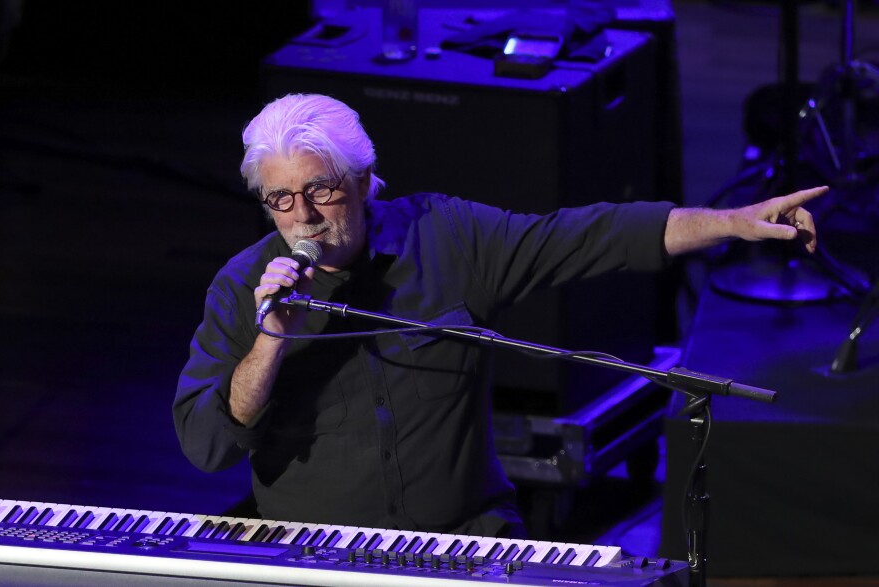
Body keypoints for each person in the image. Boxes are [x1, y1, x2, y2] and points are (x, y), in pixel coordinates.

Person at [173, 93, 826, 539]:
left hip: (467, 542)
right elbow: (206, 444)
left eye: (320, 189)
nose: (303, 216)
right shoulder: (243, 288)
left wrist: (734, 222)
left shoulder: (447, 235)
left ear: (365, 179)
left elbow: (593, 235)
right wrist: (270, 342)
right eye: (280, 199)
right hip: (319, 555)